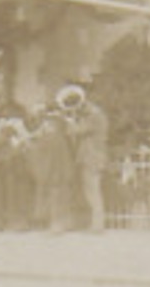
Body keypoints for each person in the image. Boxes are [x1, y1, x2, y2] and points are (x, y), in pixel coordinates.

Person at [60, 83, 109, 233]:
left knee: (92, 190)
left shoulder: (93, 115)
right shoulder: (90, 114)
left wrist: (70, 121)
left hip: (93, 156)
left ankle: (98, 224)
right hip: (87, 156)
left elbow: (75, 131)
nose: (73, 109)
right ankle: (93, 223)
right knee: (88, 190)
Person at [26, 108, 78, 234]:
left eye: (47, 123)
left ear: (53, 125)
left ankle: (56, 226)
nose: (44, 126)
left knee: (55, 199)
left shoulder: (50, 138)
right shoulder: (61, 137)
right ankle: (66, 223)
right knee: (63, 198)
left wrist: (28, 145)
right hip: (62, 173)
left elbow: (39, 152)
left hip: (55, 174)